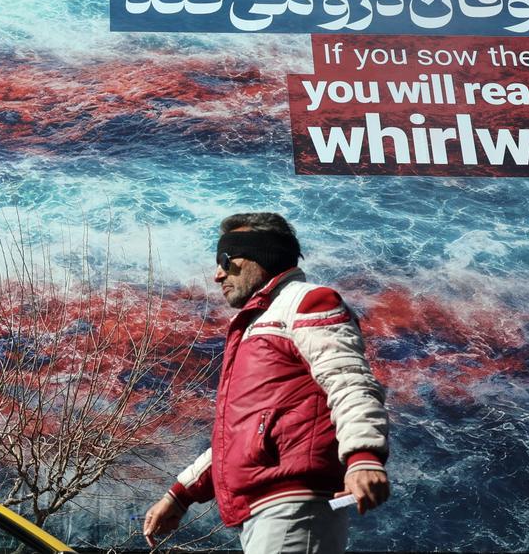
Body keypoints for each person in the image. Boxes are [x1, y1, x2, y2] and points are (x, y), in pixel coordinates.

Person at [143, 213, 390, 554]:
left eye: (225, 261)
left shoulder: (307, 302)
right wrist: (181, 494)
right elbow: (243, 434)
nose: (217, 275)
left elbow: (348, 380)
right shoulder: (257, 322)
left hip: (293, 506)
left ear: (261, 255)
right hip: (266, 512)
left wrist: (363, 455)